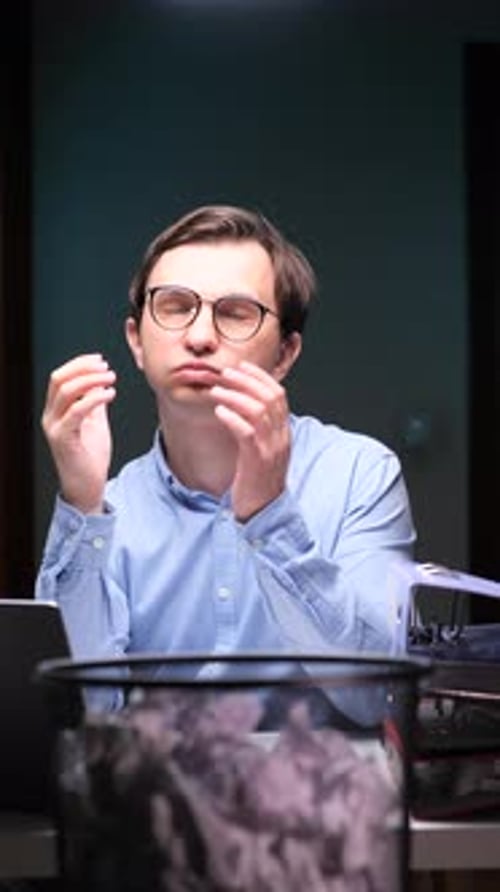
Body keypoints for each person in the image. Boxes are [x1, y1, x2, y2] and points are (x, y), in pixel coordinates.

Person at [35, 204, 415, 662]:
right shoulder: (110, 511)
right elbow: (79, 711)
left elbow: (375, 693)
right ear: (136, 341)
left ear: (284, 355)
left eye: (236, 313)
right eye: (175, 306)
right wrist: (82, 503)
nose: (199, 337)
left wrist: (270, 517)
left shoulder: (360, 475)